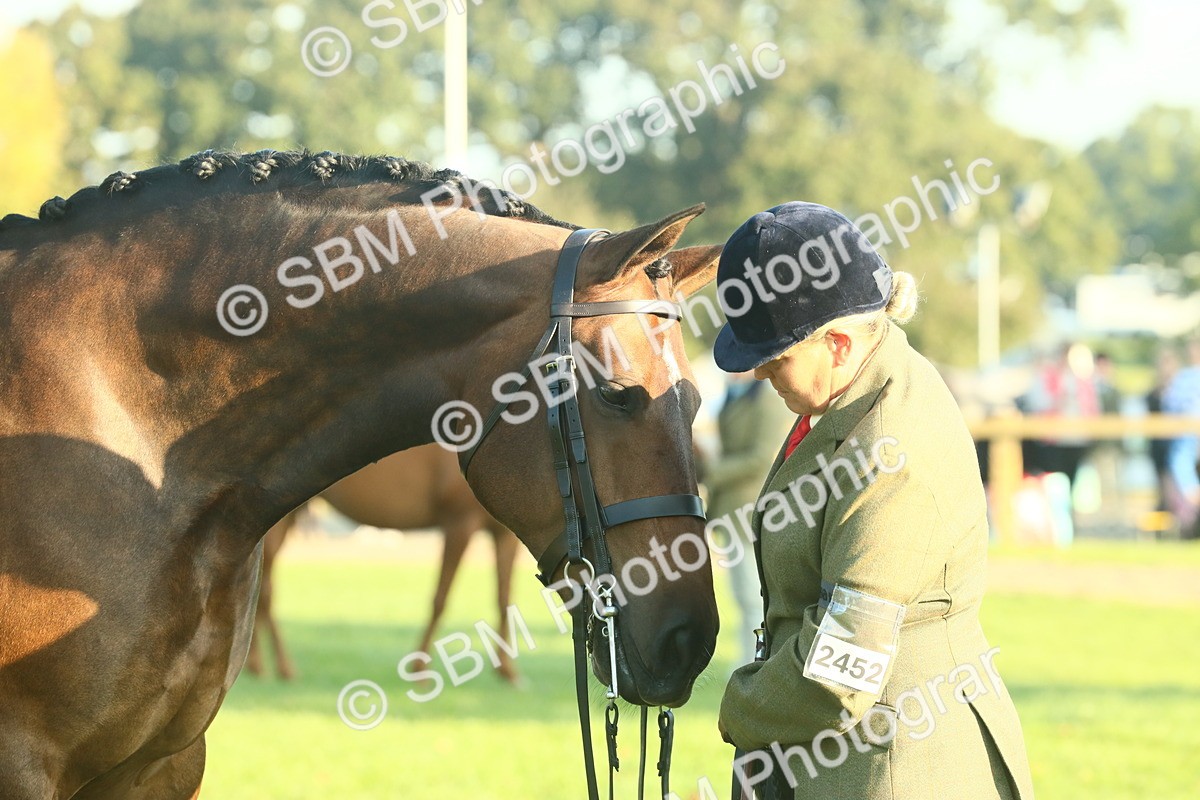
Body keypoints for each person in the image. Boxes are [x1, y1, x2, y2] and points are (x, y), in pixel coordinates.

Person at [712, 202, 1034, 799]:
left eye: (776, 358)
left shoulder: (889, 447)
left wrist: (740, 706)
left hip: (894, 769)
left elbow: (841, 669)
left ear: (836, 343)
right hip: (845, 755)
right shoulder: (851, 391)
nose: (760, 377)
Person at [706, 370, 797, 667]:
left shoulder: (767, 400)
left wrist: (712, 472)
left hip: (751, 510)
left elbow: (761, 457)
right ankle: (748, 663)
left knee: (751, 598)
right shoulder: (734, 396)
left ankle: (753, 664)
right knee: (743, 598)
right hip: (729, 509)